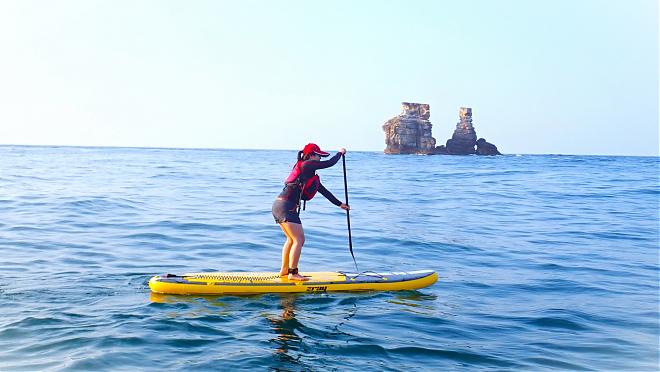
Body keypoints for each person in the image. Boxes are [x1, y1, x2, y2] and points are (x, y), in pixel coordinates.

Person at [272, 143, 350, 281]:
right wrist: (340, 153)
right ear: (311, 155)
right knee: (299, 239)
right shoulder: (306, 165)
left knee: (291, 239)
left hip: (280, 205)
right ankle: (293, 273)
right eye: (318, 155)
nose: (320, 158)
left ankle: (284, 270)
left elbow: (324, 191)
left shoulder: (308, 175)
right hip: (286, 206)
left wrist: (340, 204)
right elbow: (330, 163)